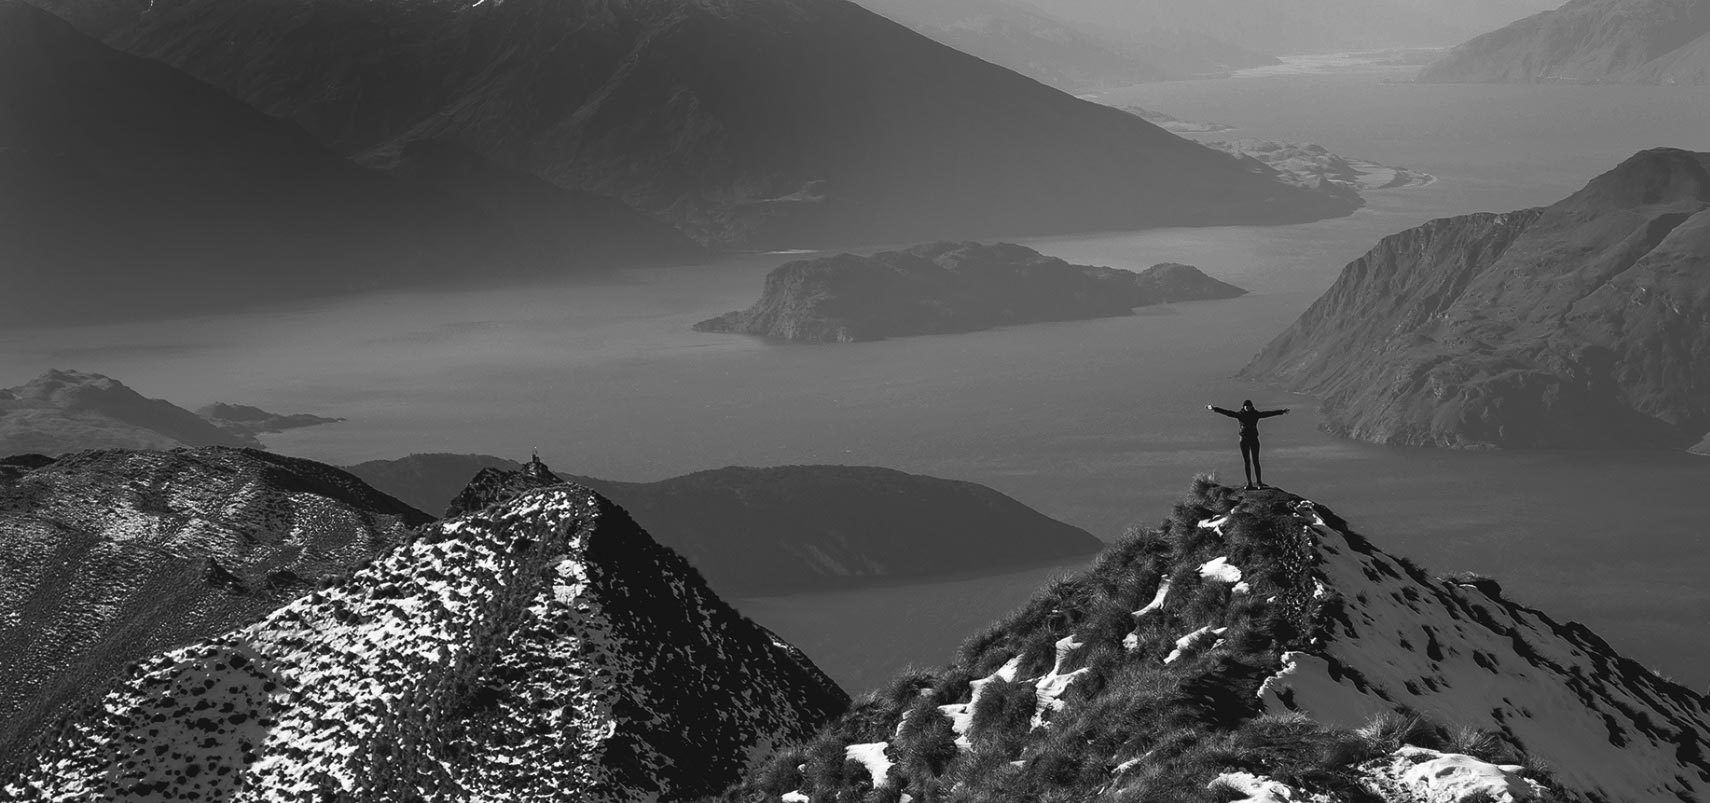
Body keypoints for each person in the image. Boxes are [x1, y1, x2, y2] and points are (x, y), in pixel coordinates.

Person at [1207, 400, 1290, 490]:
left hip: (1254, 439)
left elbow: (1268, 414)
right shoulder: (1240, 414)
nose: (1247, 407)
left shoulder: (1255, 414)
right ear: (1243, 407)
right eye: (1245, 406)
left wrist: (1281, 411)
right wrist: (1214, 409)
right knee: (1247, 462)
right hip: (1243, 440)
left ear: (1251, 407)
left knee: (1256, 461)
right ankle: (1249, 483)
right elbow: (1228, 413)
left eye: (1248, 406)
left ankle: (1259, 483)